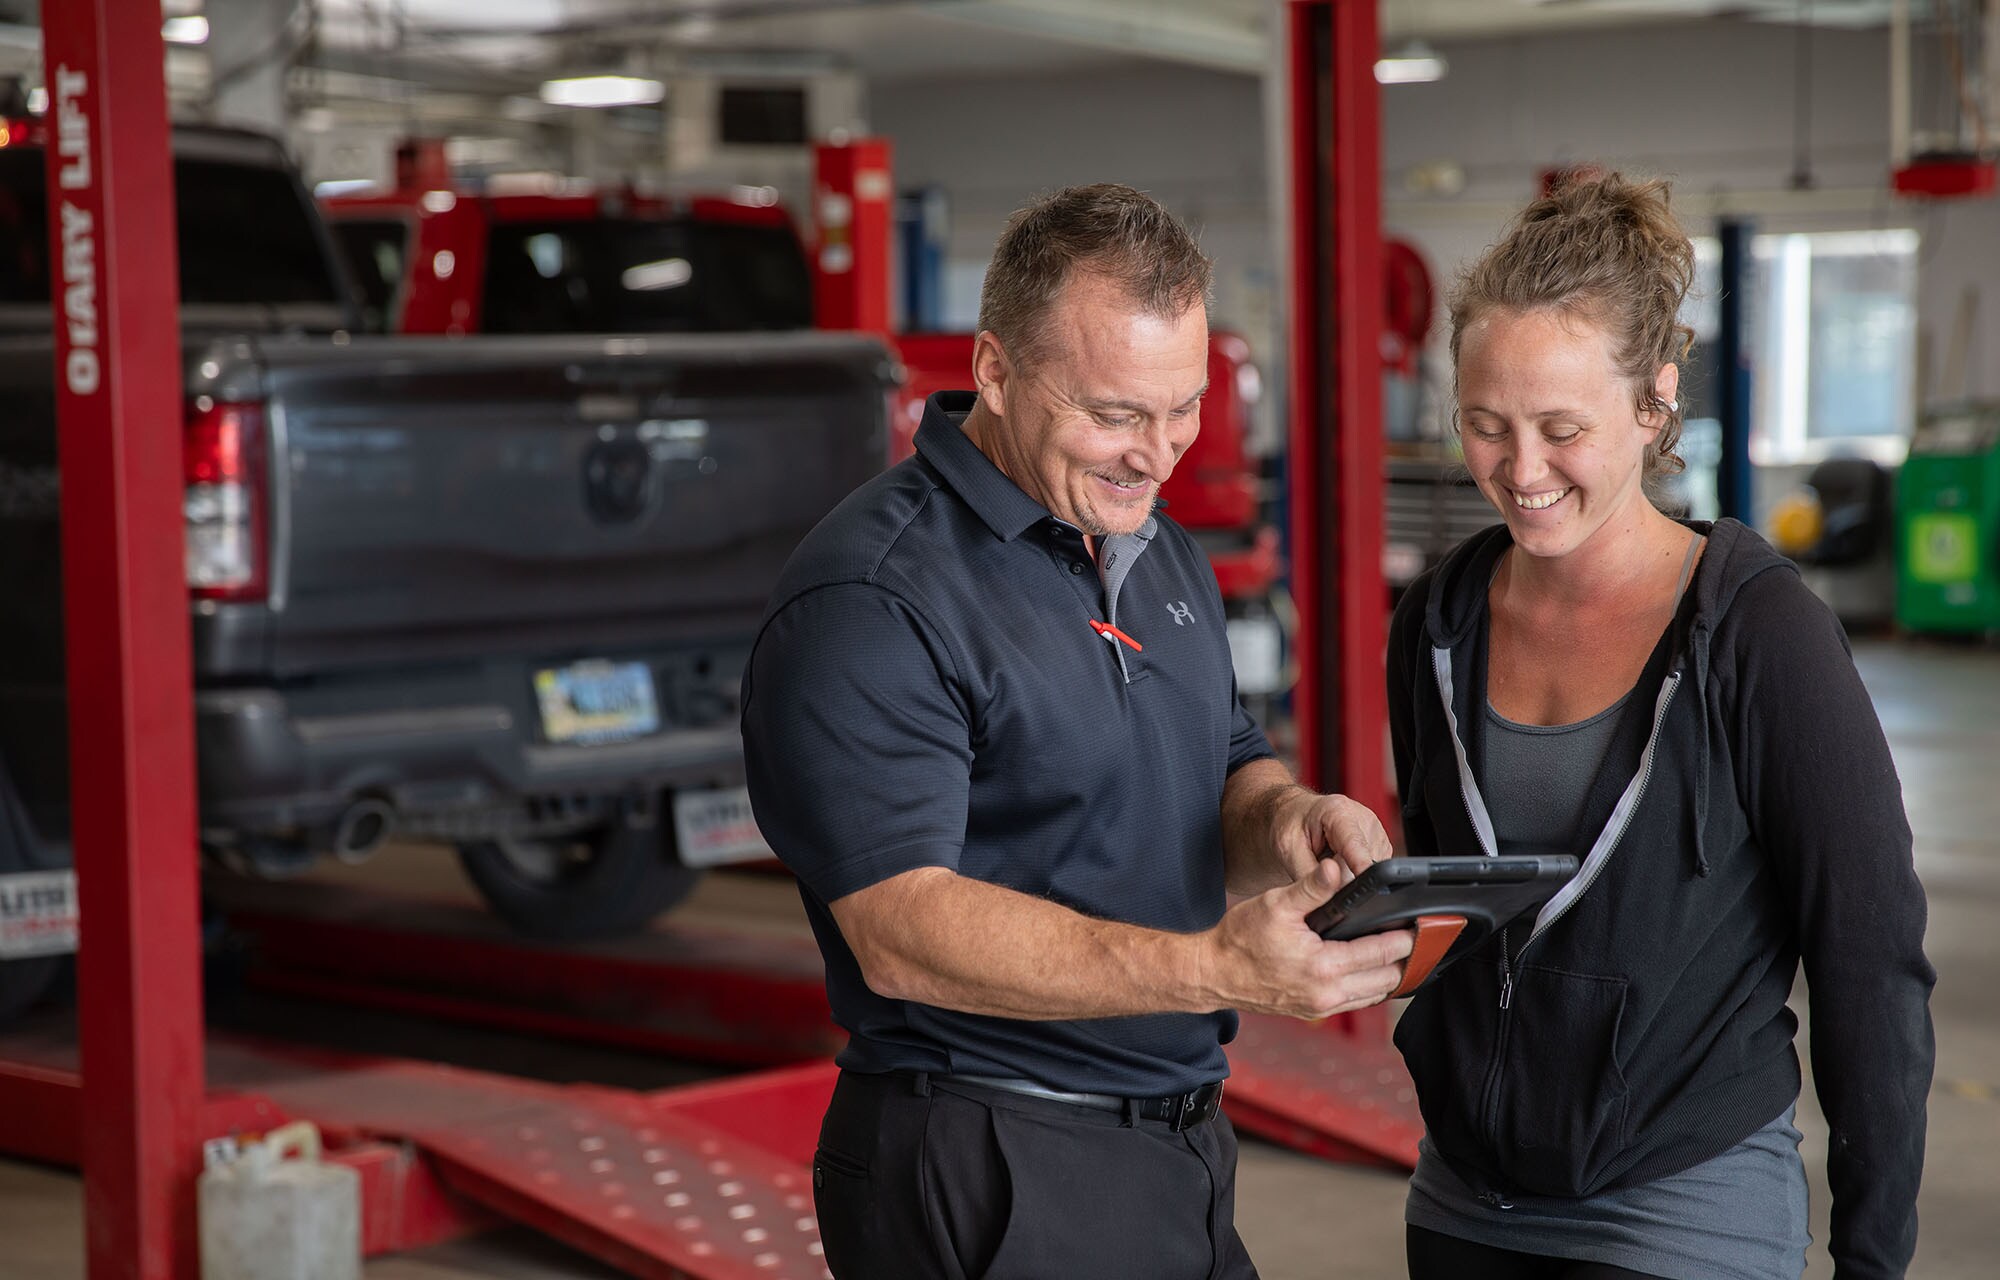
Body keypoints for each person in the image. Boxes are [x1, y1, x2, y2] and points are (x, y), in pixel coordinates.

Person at [741, 183, 1415, 1280]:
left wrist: (1289, 817)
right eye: (1113, 413)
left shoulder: (1152, 547)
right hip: (989, 1159)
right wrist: (1213, 965)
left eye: (1182, 407)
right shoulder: (874, 594)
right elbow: (899, 927)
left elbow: (1220, 762)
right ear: (995, 370)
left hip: (1178, 1144)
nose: (1157, 454)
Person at [1386, 173, 1935, 1280]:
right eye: (1484, 426)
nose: (1520, 470)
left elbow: (1867, 958)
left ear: (1652, 406)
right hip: (1464, 1198)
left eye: (1559, 428)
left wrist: (1872, 1256)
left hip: (1681, 1208)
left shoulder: (1758, 634)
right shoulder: (1437, 620)